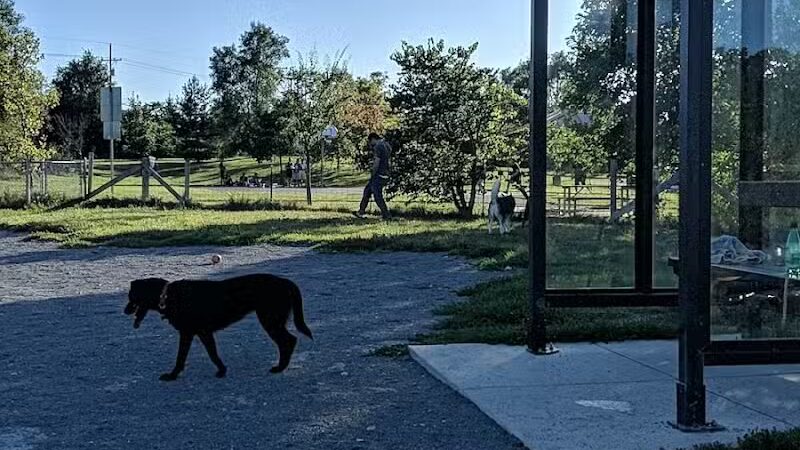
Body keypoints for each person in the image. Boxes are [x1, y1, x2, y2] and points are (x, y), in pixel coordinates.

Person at [353, 133, 391, 220]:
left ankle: (386, 215)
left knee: (377, 196)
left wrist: (373, 172)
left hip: (379, 174)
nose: (370, 144)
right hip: (386, 173)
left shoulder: (378, 146)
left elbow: (377, 161)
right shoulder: (387, 144)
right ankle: (361, 212)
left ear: (373, 139)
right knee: (367, 191)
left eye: (370, 141)